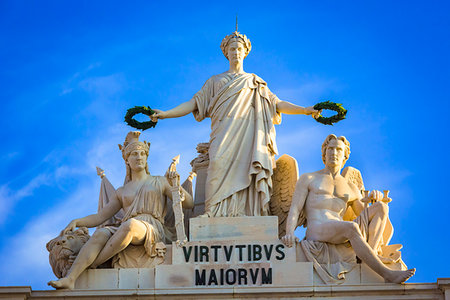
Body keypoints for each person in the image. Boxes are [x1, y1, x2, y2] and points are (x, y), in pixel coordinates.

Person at [151, 31, 320, 217]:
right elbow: (193, 104)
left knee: (248, 169)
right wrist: (166, 114)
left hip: (249, 136)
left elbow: (277, 104)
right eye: (232, 48)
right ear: (226, 52)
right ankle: (213, 211)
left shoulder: (255, 82)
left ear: (245, 51)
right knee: (216, 165)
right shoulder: (214, 81)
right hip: (222, 134)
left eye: (239, 48)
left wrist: (304, 109)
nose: (236, 52)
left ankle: (249, 213)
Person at [48, 131, 193, 289]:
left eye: (142, 154)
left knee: (130, 226)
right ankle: (71, 278)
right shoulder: (121, 191)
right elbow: (100, 217)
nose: (139, 157)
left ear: (146, 158)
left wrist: (176, 185)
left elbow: (189, 203)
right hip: (125, 227)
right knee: (100, 233)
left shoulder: (160, 181)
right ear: (127, 160)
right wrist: (77, 221)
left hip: (151, 227)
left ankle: (93, 264)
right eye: (134, 154)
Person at [281, 134, 415, 283]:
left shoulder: (351, 187)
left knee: (381, 208)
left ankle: (370, 256)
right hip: (317, 229)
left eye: (338, 149)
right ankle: (387, 274)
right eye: (330, 149)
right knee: (351, 228)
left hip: (340, 230)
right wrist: (289, 233)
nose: (334, 153)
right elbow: (295, 209)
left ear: (345, 155)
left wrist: (373, 199)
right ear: (324, 153)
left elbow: (363, 214)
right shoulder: (309, 178)